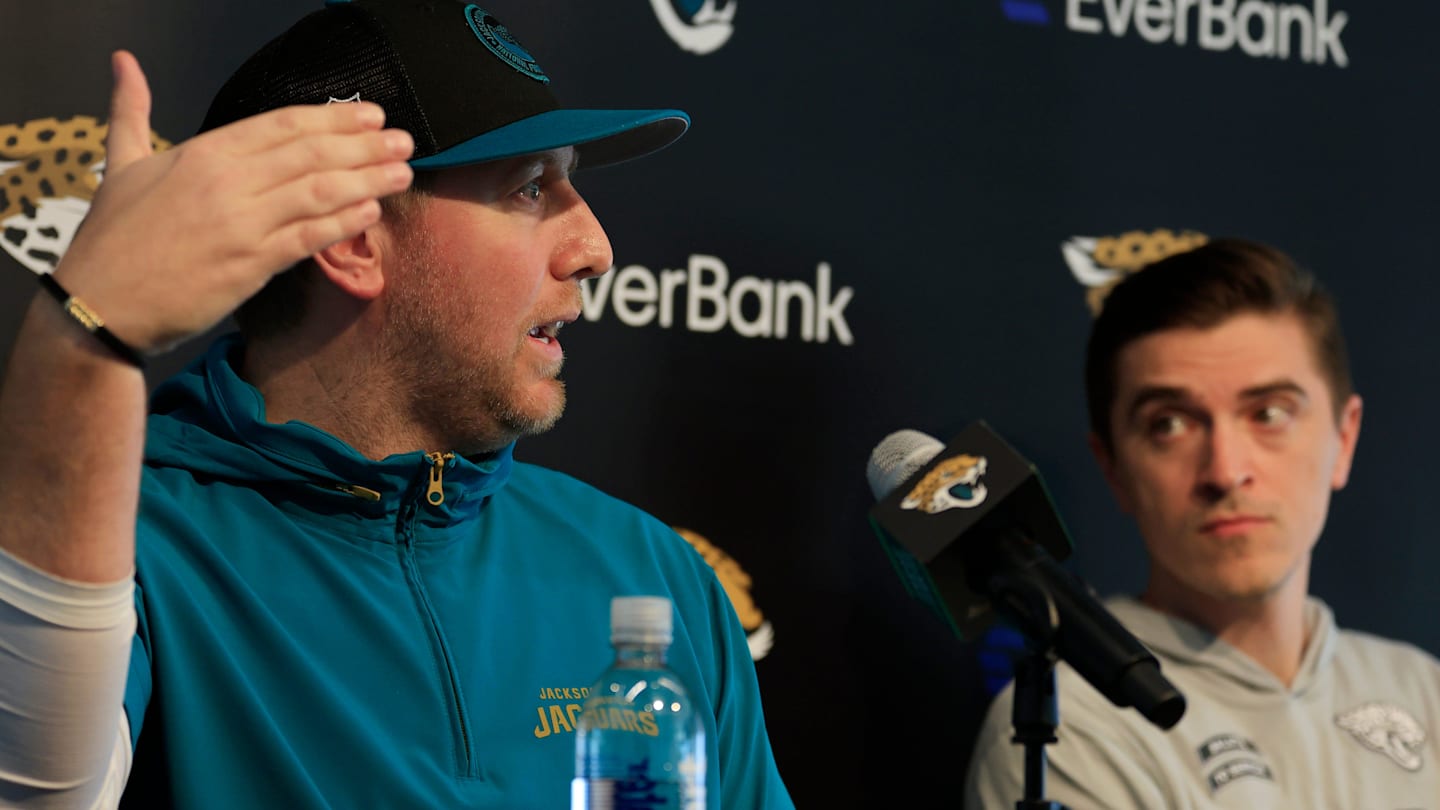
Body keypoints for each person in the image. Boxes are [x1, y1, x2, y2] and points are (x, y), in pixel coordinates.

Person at [0, 1, 794, 808]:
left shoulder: (653, 573)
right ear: (353, 238)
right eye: (528, 189)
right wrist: (82, 338)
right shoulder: (116, 544)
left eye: (571, 182)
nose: (595, 248)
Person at [963, 238, 1440, 808]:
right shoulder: (1067, 730)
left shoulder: (1423, 691)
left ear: (1344, 438)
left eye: (1268, 414)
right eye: (1169, 424)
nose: (1225, 470)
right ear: (1112, 467)